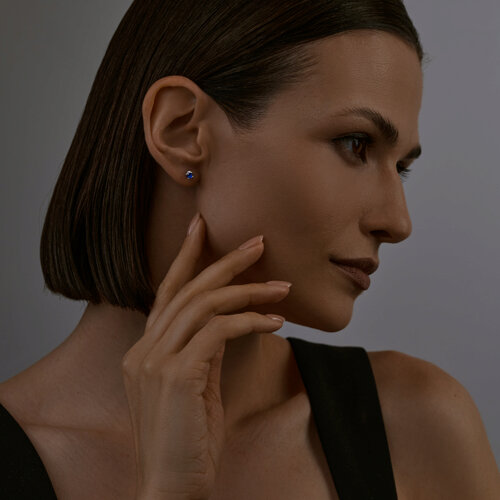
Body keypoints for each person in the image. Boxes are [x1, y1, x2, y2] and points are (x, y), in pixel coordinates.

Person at [1, 0, 499, 498]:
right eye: (355, 144)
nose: (397, 222)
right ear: (182, 130)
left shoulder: (415, 427)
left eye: (401, 168)